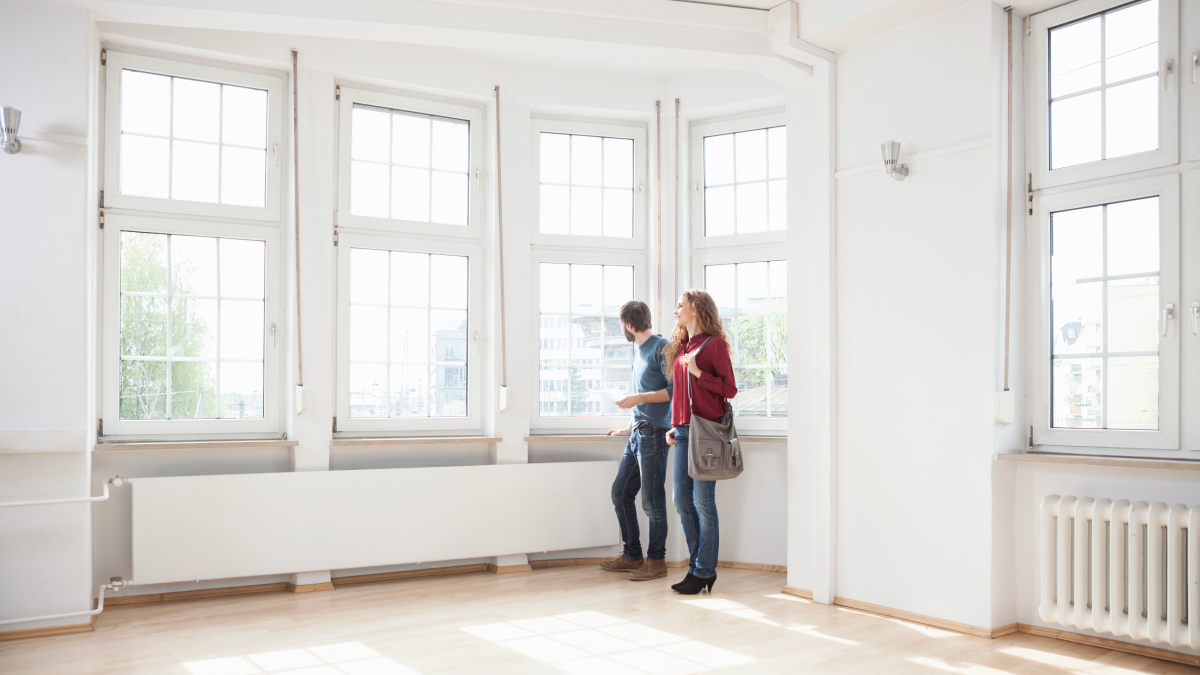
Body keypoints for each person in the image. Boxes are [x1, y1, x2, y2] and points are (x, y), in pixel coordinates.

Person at [664, 290, 737, 594]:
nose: (676, 310)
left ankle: (703, 570)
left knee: (703, 502)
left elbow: (730, 389)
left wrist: (698, 372)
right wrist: (673, 424)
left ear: (696, 309)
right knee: (681, 500)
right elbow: (680, 393)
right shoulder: (683, 346)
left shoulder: (713, 345)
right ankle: (699, 566)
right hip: (683, 431)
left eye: (680, 305)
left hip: (706, 432)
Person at [599, 300, 673, 581]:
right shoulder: (638, 351)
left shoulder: (661, 347)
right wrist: (626, 428)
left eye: (622, 325)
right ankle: (632, 555)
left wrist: (636, 399)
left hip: (654, 434)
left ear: (628, 326)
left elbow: (672, 391)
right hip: (639, 433)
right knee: (621, 493)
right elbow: (642, 397)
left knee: (653, 501)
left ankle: (657, 562)